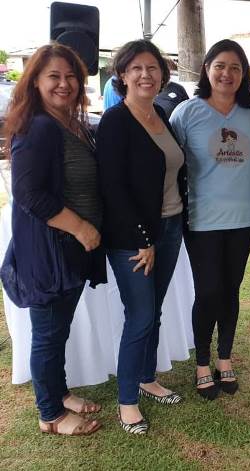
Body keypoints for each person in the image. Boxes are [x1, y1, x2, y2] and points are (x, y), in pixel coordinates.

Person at [1, 43, 104, 435]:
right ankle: (50, 414)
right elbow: (28, 194)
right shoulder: (39, 125)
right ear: (35, 82)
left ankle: (58, 392)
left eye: (71, 76)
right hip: (50, 252)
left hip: (71, 251)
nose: (64, 84)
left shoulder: (69, 123)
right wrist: (80, 227)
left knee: (58, 329)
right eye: (54, 77)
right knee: (47, 333)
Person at [97, 39, 187, 434]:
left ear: (163, 75)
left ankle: (147, 377)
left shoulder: (160, 115)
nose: (145, 75)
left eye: (152, 68)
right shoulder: (117, 120)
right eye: (136, 68)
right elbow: (112, 187)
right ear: (122, 75)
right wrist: (142, 239)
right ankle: (127, 400)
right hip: (135, 238)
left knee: (156, 309)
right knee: (141, 315)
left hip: (170, 226)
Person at [170, 39, 250, 400]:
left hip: (244, 219)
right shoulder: (187, 113)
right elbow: (172, 165)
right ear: (207, 69)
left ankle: (225, 358)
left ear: (244, 75)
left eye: (236, 67)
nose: (227, 73)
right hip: (201, 219)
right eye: (220, 66)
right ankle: (203, 363)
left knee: (230, 290)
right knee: (208, 290)